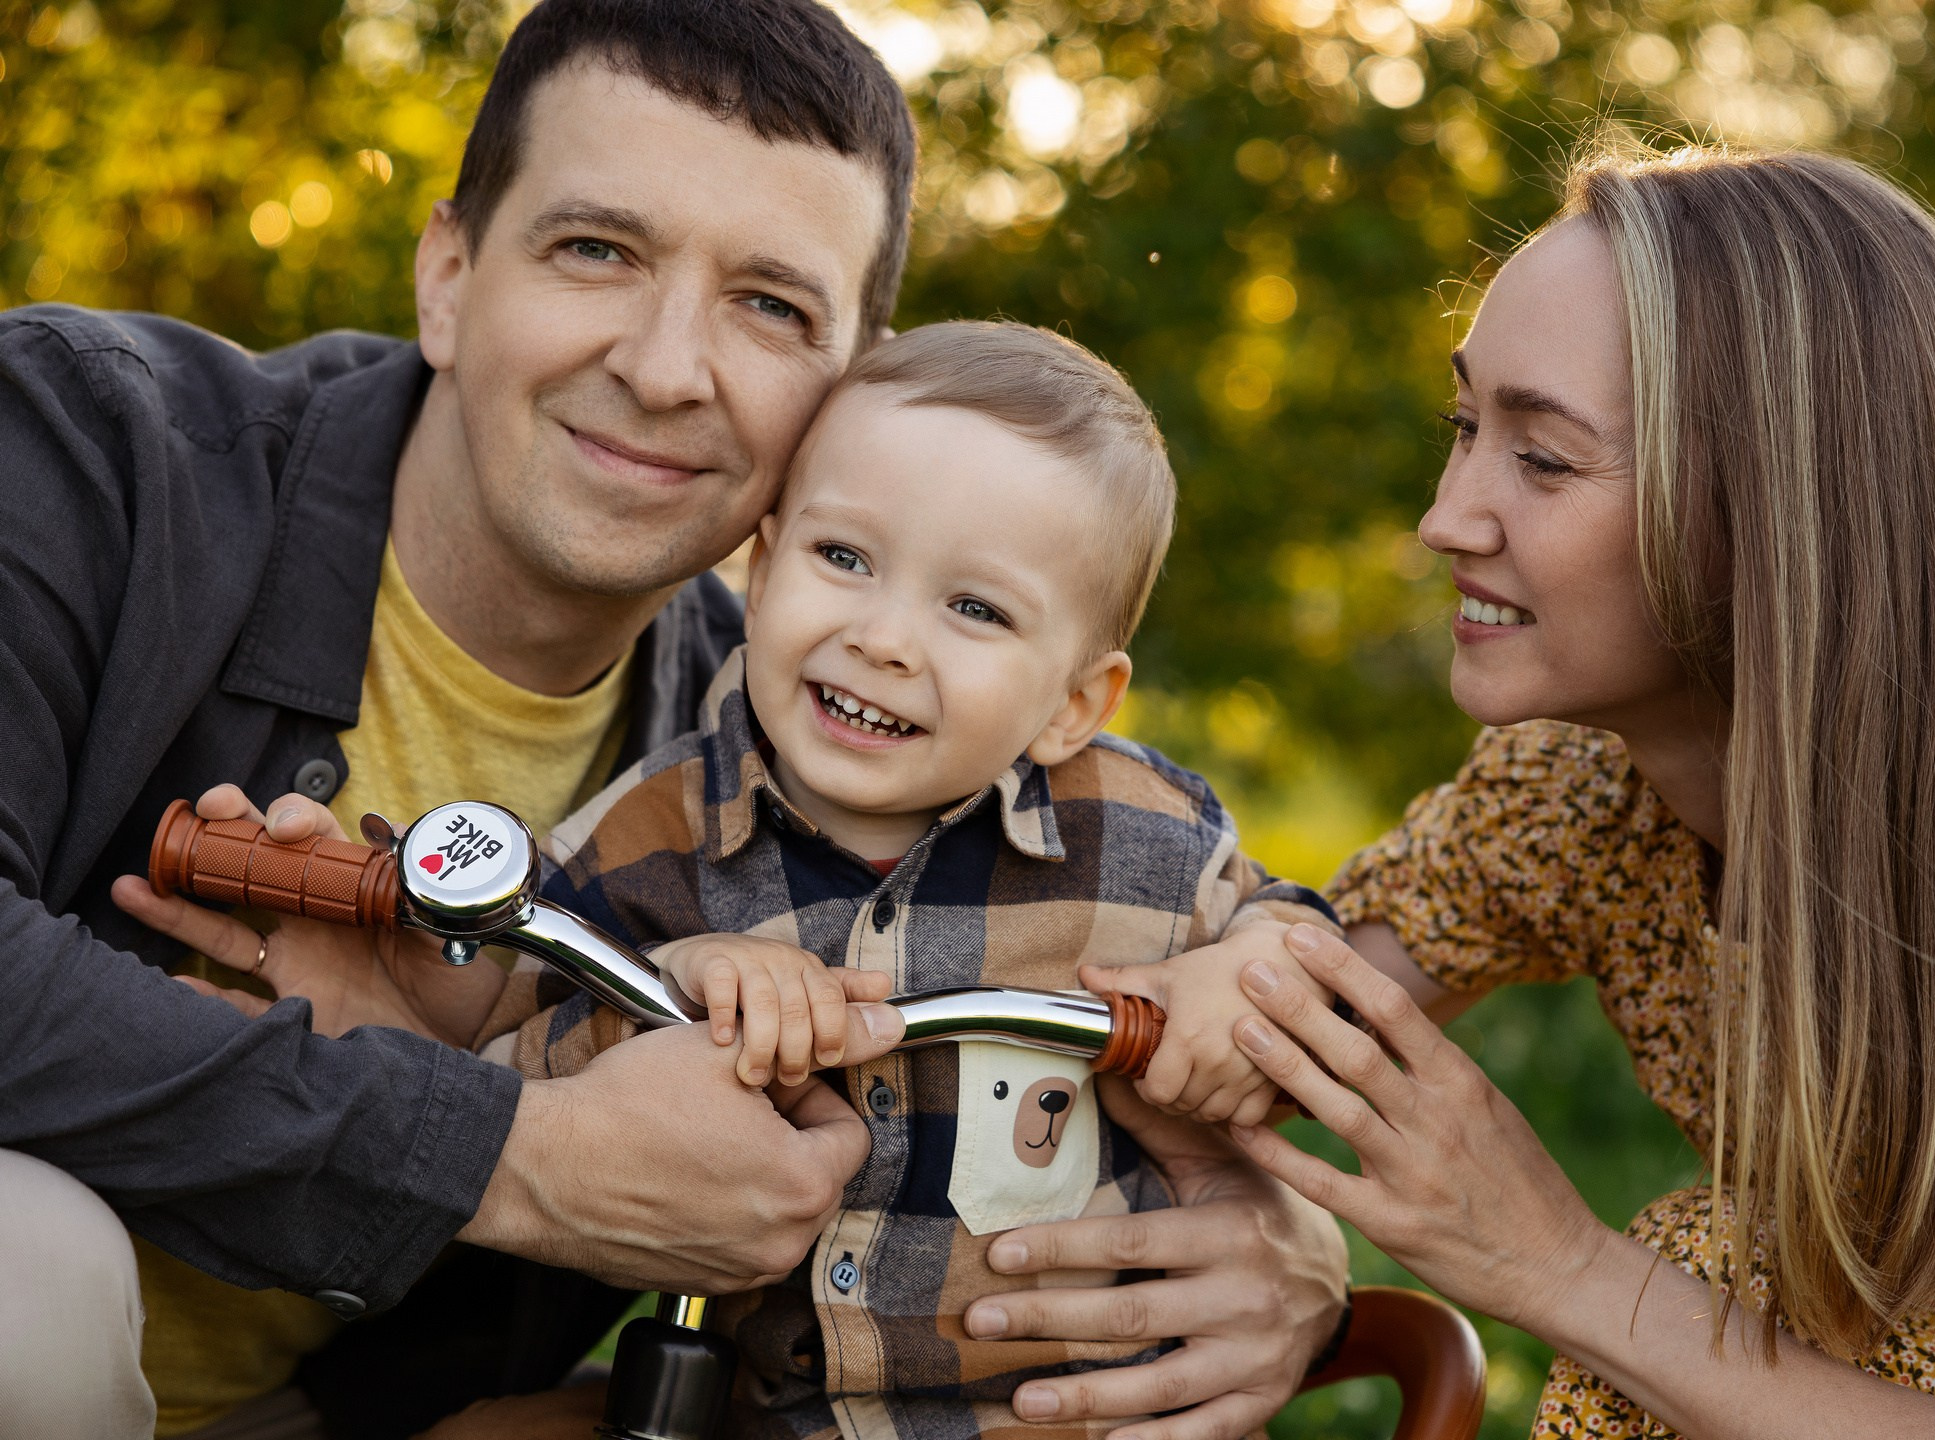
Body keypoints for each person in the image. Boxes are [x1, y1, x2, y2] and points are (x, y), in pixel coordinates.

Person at [2, 2, 1347, 1437]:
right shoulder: (81, 449)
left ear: (846, 393)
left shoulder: (820, 751)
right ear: (449, 273)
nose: (663, 365)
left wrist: (1282, 1253)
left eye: (770, 304)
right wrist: (514, 1152)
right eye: (597, 250)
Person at [1219, 144, 1935, 1438]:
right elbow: (1254, 1024)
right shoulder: (1583, 796)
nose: (1448, 515)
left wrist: (1564, 1269)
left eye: (1542, 460)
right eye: (1465, 428)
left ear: (1779, 506)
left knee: (1692, 1303)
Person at [279, 318, 1343, 1439]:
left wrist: (1255, 969)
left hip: (1091, 1417)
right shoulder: (646, 840)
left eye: (975, 609)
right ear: (763, 564)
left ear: (1076, 700)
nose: (884, 637)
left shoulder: (1142, 836)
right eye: (845, 559)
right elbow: (501, 1078)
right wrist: (672, 987)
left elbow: (1301, 950)